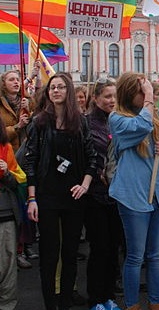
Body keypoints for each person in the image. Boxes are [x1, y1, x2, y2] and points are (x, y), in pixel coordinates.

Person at [25, 72, 98, 310]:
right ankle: (50, 305)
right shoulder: (39, 122)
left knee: (70, 253)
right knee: (49, 254)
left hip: (74, 196)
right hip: (46, 197)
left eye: (60, 87)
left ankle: (65, 302)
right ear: (48, 93)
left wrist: (85, 185)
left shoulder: (81, 121)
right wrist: (32, 198)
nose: (55, 91)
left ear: (68, 92)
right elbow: (31, 160)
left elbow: (92, 158)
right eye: (52, 88)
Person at [109, 72, 159, 310]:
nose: (147, 94)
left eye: (148, 91)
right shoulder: (117, 118)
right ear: (131, 93)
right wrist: (151, 97)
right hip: (132, 193)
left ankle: (156, 301)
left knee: (156, 254)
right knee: (135, 255)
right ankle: (132, 304)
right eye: (143, 91)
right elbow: (141, 125)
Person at [84, 77, 123, 310]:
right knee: (99, 248)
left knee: (113, 248)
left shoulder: (118, 122)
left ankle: (108, 295)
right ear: (96, 98)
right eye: (107, 96)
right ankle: (96, 298)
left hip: (117, 196)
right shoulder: (86, 124)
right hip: (96, 196)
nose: (112, 100)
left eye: (114, 96)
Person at [0, 115, 26, 310]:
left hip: (5, 214)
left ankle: (7, 305)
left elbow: (18, 182)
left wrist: (6, 173)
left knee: (7, 265)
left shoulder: (6, 149)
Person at [0, 70, 31, 151]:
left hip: (26, 153)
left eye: (18, 80)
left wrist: (28, 111)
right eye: (11, 79)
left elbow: (37, 124)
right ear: (3, 84)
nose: (16, 82)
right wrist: (17, 126)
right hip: (7, 154)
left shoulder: (28, 101)